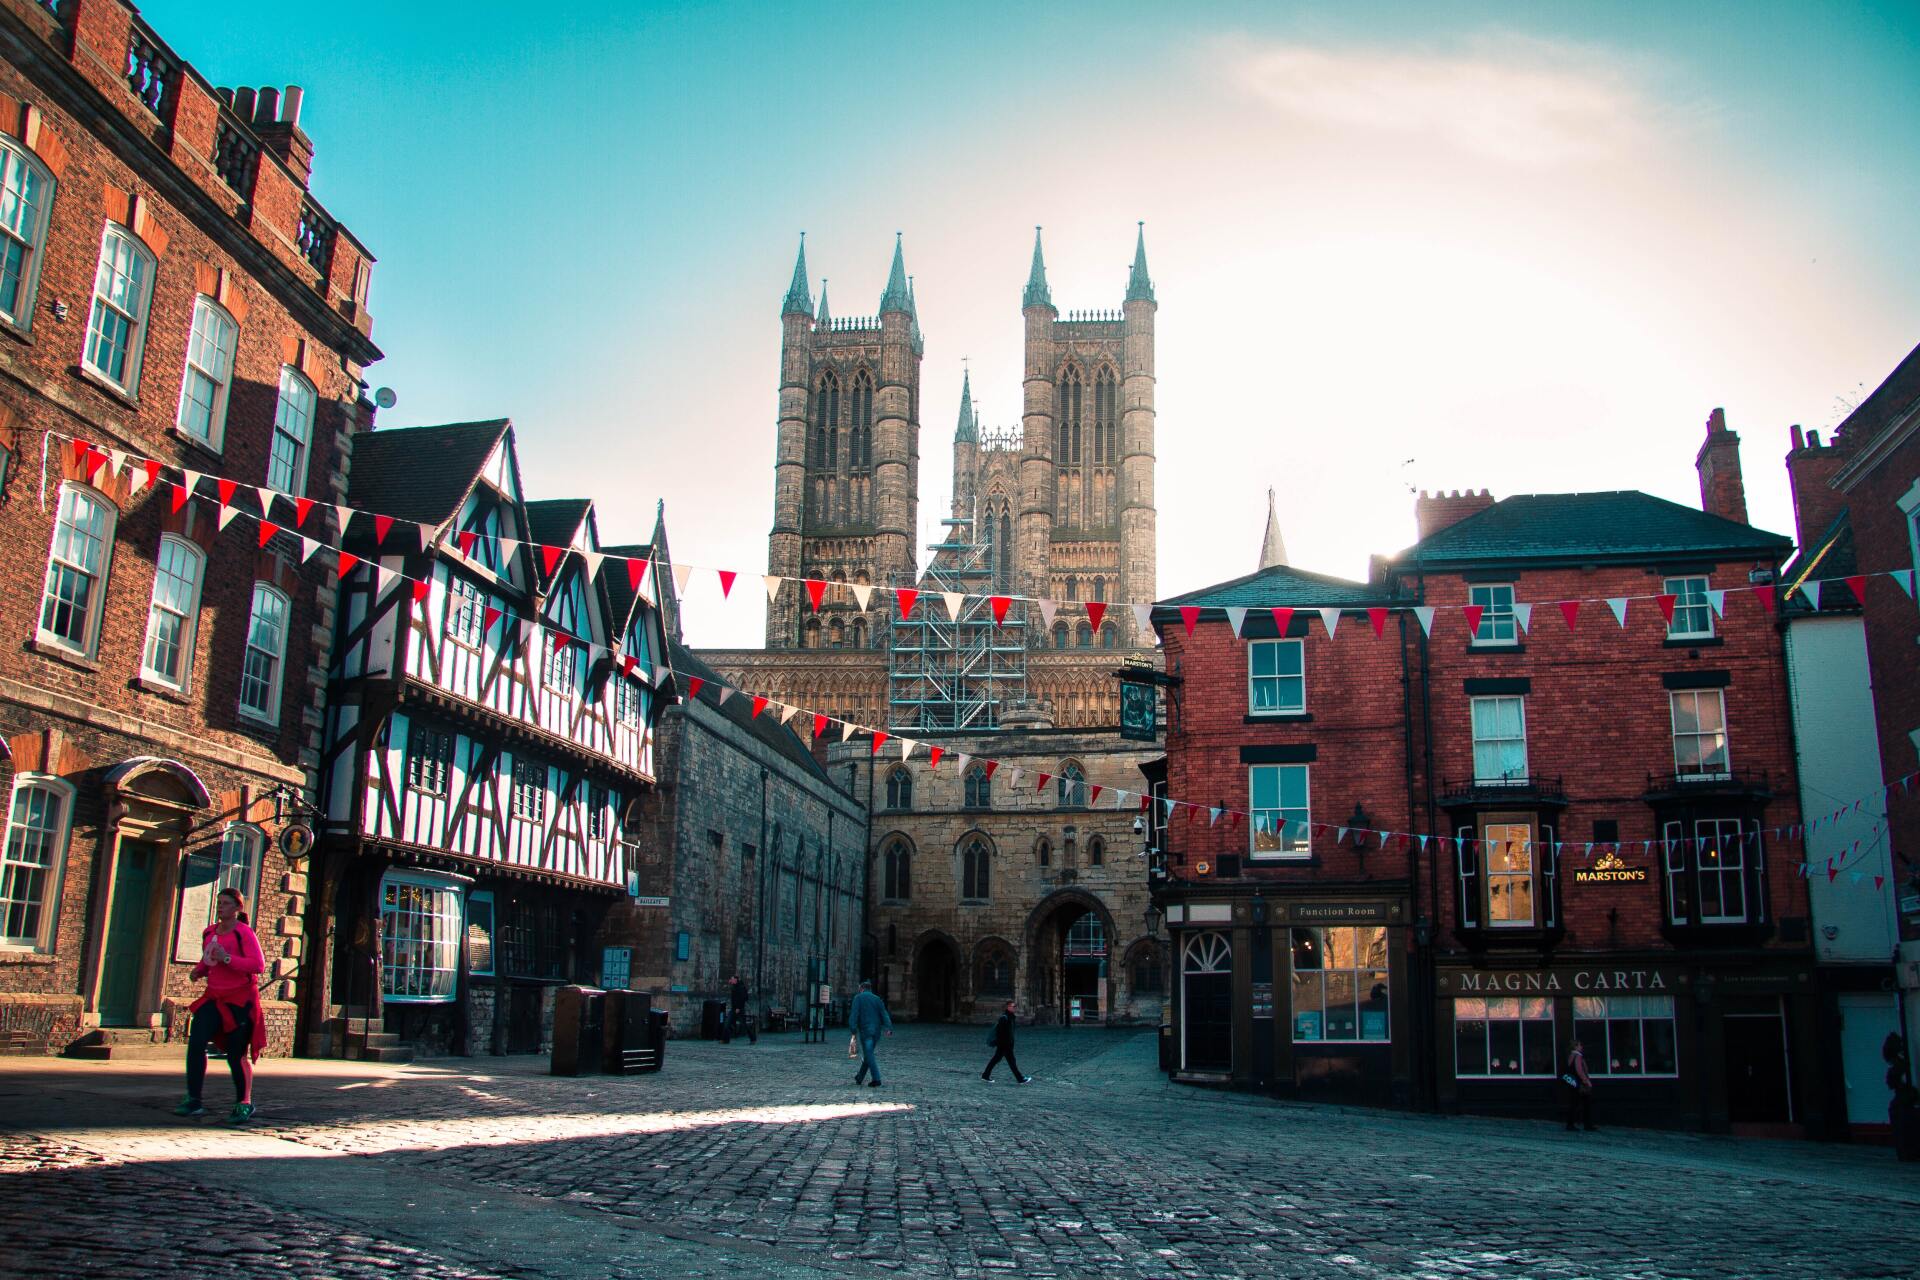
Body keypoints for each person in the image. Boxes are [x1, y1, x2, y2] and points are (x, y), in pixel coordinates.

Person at [174, 887, 266, 1123]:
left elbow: (258, 965)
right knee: (196, 1044)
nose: (221, 907)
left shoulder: (244, 933)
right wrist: (199, 970)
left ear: (237, 908)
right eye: (219, 903)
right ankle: (193, 1099)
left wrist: (228, 958)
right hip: (214, 997)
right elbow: (208, 959)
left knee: (236, 1054)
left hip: (240, 1000)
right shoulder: (209, 932)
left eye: (226, 903)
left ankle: (244, 1102)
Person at [849, 979, 892, 1087]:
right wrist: (888, 1028)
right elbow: (884, 1014)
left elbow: (854, 1014)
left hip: (866, 1031)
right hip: (876, 1032)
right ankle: (860, 1077)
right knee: (868, 1054)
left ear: (861, 988)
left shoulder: (858, 998)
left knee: (869, 1055)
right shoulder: (877, 999)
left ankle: (876, 1078)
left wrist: (853, 1028)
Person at [981, 1000, 1031, 1084]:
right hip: (1005, 1045)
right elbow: (1000, 1033)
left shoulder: (1011, 1017)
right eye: (1013, 1006)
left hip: (1007, 1045)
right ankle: (1020, 1079)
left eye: (1015, 1006)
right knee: (1010, 1062)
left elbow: (1010, 1032)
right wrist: (1004, 1044)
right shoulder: (1004, 1018)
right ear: (1008, 1007)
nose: (1015, 1008)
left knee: (997, 1060)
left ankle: (985, 1075)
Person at [1564, 1037, 1596, 1132]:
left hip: (1573, 1083)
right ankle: (1586, 1124)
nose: (1582, 1047)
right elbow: (1579, 1070)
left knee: (1574, 1103)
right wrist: (1586, 1081)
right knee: (1585, 1103)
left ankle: (1571, 1124)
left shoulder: (1570, 1056)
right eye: (1580, 1045)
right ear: (1576, 1046)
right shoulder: (1578, 1056)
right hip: (1580, 1083)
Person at [727, 975, 755, 1045]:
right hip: (733, 1009)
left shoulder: (741, 987)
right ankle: (725, 1039)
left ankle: (753, 1038)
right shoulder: (734, 986)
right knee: (727, 1023)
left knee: (744, 1025)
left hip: (739, 1009)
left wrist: (738, 1008)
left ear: (736, 980)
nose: (731, 980)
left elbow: (743, 998)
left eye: (732, 979)